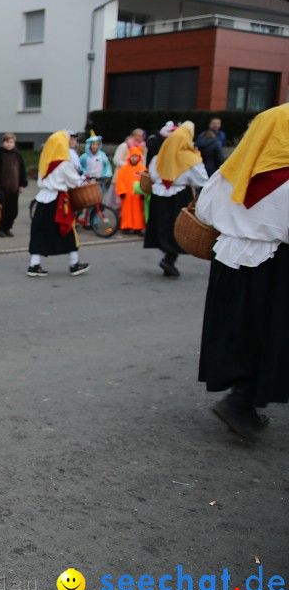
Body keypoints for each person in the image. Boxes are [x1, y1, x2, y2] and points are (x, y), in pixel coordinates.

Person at [195, 103, 287, 442]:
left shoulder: (233, 169)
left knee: (235, 331)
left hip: (228, 261)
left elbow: (204, 210)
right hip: (272, 264)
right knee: (267, 334)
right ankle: (242, 400)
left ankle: (240, 397)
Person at [144, 121, 208, 278]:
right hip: (179, 195)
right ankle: (170, 257)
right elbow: (202, 180)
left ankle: (167, 255)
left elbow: (152, 174)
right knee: (178, 228)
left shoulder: (160, 155)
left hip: (160, 195)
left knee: (161, 225)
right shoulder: (191, 158)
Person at [27, 131, 89, 277]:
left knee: (39, 231)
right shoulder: (64, 164)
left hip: (42, 199)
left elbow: (40, 181)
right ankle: (74, 263)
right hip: (58, 201)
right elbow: (74, 181)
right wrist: (83, 179)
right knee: (67, 229)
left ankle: (34, 264)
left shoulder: (45, 162)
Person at [0, 132, 27, 237]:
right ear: (3, 142)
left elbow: (22, 170)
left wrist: (22, 184)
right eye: (7, 142)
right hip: (0, 188)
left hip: (13, 188)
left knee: (12, 210)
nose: (9, 144)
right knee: (1, 209)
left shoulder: (17, 155)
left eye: (11, 142)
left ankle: (7, 227)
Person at [115, 146, 146, 236]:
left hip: (137, 195)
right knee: (126, 212)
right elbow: (119, 181)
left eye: (136, 156)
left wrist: (142, 193)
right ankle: (126, 227)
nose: (134, 158)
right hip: (127, 194)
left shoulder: (142, 169)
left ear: (139, 158)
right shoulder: (123, 169)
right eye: (133, 156)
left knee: (138, 212)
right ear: (129, 157)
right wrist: (121, 192)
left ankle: (138, 228)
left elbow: (145, 182)